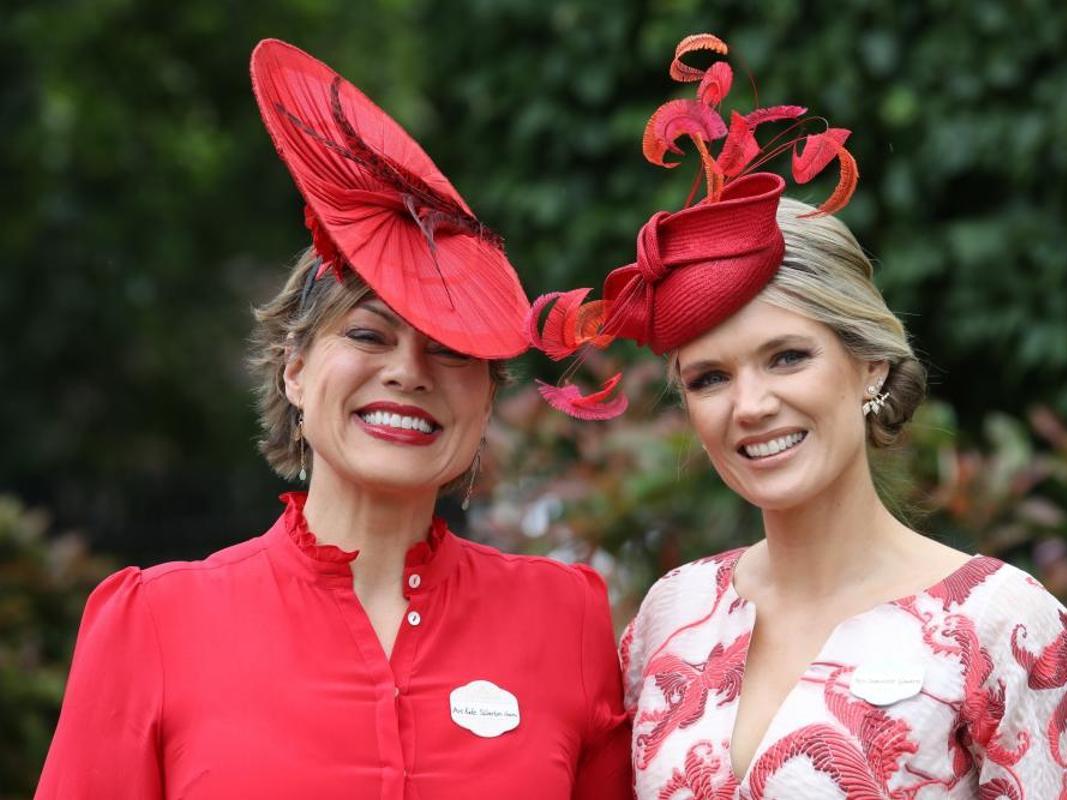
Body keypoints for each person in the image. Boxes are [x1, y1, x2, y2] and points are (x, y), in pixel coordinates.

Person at [528, 34, 1067, 798]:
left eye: (787, 357)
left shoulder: (1000, 624)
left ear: (870, 362)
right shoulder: (672, 616)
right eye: (711, 377)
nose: (751, 406)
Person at [36, 39, 631, 800]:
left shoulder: (566, 621)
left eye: (451, 351)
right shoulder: (155, 623)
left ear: (487, 398)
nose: (408, 374)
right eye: (366, 334)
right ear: (295, 369)